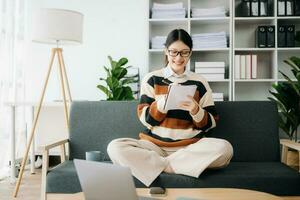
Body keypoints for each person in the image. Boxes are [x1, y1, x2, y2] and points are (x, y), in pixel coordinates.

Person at [107, 29, 233, 187]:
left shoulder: (200, 81)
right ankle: (175, 165)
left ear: (190, 53)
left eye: (184, 52)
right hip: (154, 147)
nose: (179, 58)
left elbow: (212, 122)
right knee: (115, 147)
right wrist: (161, 105)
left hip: (190, 147)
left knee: (225, 149)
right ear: (166, 51)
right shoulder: (152, 79)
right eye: (173, 52)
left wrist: (196, 111)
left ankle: (160, 166)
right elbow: (146, 120)